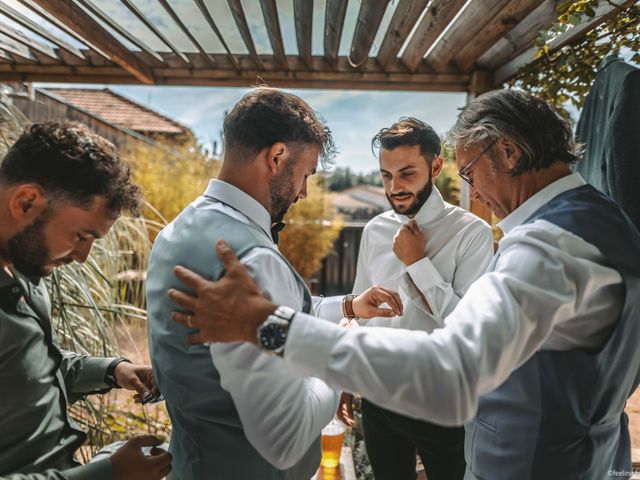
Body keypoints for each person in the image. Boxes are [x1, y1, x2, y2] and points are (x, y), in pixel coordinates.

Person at [168, 89, 640, 479]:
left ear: (510, 152)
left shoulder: (547, 244)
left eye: (471, 172)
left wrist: (269, 326)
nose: (473, 191)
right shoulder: (604, 223)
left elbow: (452, 371)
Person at [146, 87, 401, 480]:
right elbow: (291, 428)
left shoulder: (176, 231)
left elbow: (269, 318)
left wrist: (347, 307)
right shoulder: (255, 259)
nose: (303, 192)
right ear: (278, 157)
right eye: (306, 175)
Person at [0, 122, 172, 480]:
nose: (82, 257)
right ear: (26, 202)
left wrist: (113, 371)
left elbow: (32, 370)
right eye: (80, 236)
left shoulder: (26, 269)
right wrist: (108, 474)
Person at [337, 118, 493, 480]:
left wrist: (418, 263)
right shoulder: (375, 230)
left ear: (435, 166)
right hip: (379, 397)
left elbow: (468, 328)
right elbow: (362, 311)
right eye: (386, 175)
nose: (395, 187)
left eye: (406, 173)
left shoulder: (472, 234)